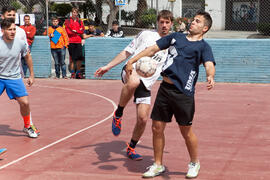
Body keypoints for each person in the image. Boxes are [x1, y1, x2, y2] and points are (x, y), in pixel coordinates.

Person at [124, 11, 216, 178]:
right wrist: (131, 60)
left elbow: (209, 64)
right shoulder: (175, 37)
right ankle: (158, 164)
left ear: (205, 28)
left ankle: (194, 162)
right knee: (157, 127)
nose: (192, 22)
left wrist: (210, 75)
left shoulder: (203, 47)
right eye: (193, 20)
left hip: (184, 93)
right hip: (165, 90)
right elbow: (152, 49)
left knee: (186, 131)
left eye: (197, 21)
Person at [95, 10, 173, 160]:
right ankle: (118, 113)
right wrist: (108, 66)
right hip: (131, 70)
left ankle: (131, 147)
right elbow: (126, 52)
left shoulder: (172, 42)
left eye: (167, 22)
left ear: (171, 23)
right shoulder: (146, 35)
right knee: (134, 81)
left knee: (143, 119)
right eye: (161, 22)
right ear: (157, 22)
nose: (164, 25)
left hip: (147, 82)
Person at [0, 18, 40, 138]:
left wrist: (32, 75)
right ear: (3, 31)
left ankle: (27, 126)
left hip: (14, 77)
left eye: (14, 29)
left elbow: (27, 57)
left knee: (25, 103)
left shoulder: (21, 43)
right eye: (9, 30)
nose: (12, 32)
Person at [65, 7, 84, 79]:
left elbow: (82, 31)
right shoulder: (67, 21)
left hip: (78, 42)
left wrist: (76, 31)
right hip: (71, 42)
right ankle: (73, 73)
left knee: (79, 59)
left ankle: (78, 73)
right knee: (73, 59)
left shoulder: (80, 21)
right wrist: (77, 31)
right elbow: (68, 31)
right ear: (71, 13)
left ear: (77, 13)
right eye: (73, 12)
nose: (75, 14)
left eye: (76, 12)